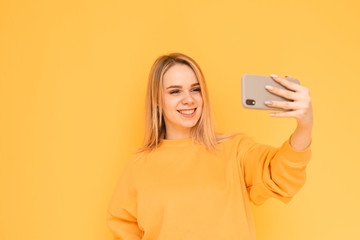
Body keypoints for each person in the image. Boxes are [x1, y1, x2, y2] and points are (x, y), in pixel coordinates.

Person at [106, 52, 313, 239]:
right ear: (157, 101)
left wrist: (304, 126)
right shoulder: (138, 167)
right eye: (175, 91)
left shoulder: (235, 150)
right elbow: (123, 230)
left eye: (195, 89)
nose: (188, 99)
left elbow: (281, 176)